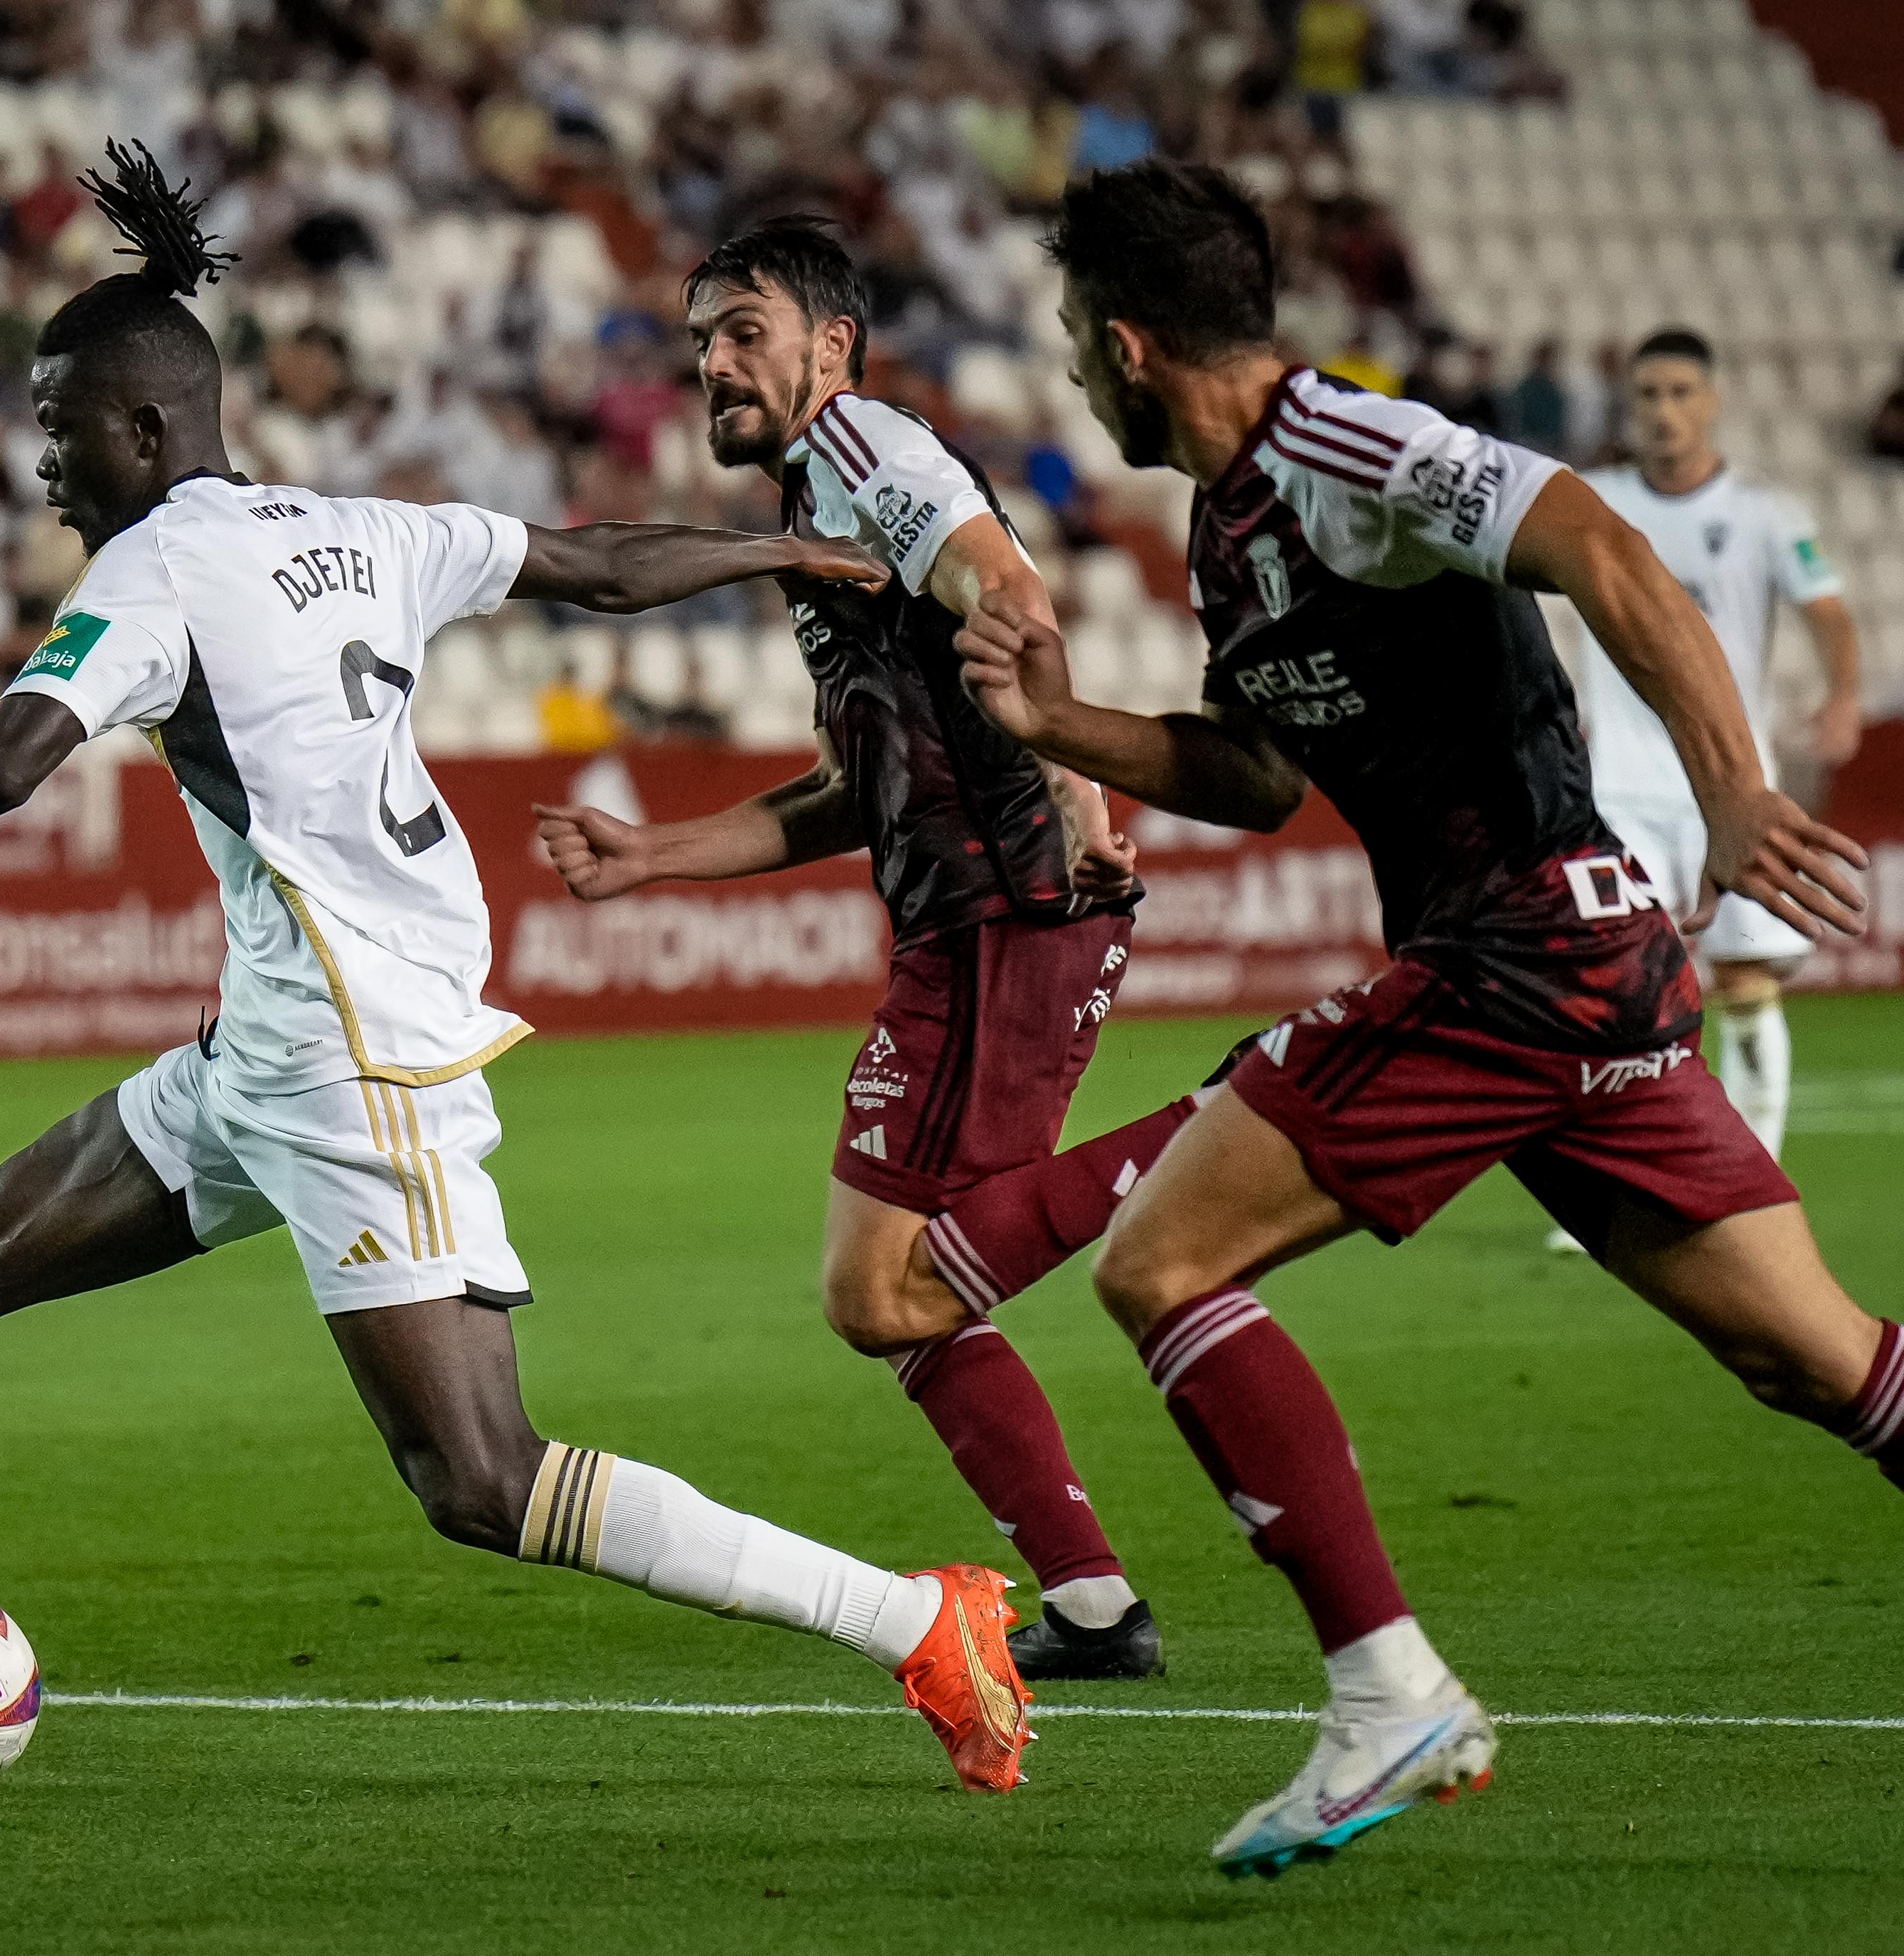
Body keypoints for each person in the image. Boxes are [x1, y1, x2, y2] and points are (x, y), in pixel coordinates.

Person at [0, 145, 1037, 1793]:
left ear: (142, 431)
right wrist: (768, 558)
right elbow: (587, 558)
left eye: (57, 434)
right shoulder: (357, 528)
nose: (45, 471)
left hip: (352, 1059)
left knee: (479, 1481)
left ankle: (913, 1621)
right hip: (272, 1043)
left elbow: (3, 766)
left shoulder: (153, 570)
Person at [957, 160, 1893, 1877]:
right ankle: (1385, 1691)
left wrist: (1734, 796)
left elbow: (1594, 546)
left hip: (1514, 955)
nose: (1075, 384)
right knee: (1812, 1359)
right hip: (1575, 977)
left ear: (1123, 341)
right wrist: (1065, 722)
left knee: (1156, 1266)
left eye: (1073, 351)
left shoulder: (1342, 450)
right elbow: (1251, 775)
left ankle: (1385, 1689)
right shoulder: (1230, 524)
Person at [532, 218, 1205, 1682]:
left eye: (745, 330)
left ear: (831, 346)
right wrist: (658, 854)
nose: (714, 360)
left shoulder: (868, 455)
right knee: (900, 1292)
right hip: (975, 915)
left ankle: (1233, 1123)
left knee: (879, 1286)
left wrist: (1080, 791)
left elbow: (1014, 600)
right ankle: (1093, 1606)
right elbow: (863, 786)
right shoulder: (825, 503)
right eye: (702, 336)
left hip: (1003, 917)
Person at [1545, 329, 1863, 1217]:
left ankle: (1750, 1180)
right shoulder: (1592, 504)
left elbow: (1828, 613)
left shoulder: (1766, 515)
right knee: (1616, 989)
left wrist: (1841, 694)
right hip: (1619, 791)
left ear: (1712, 400)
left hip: (1734, 784)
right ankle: (1611, 1193)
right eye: (1646, 394)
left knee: (1749, 984)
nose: (1663, 410)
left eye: (1680, 392)